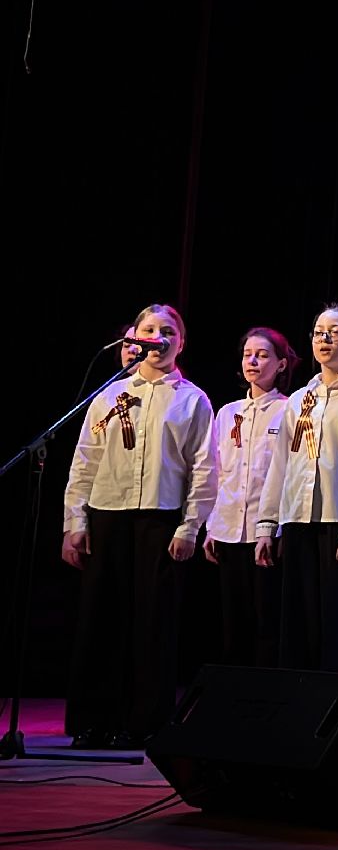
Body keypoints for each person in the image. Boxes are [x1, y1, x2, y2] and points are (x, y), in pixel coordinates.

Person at [62, 304, 215, 750]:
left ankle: (144, 720)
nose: (158, 337)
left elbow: (204, 467)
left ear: (180, 342)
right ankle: (93, 719)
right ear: (135, 337)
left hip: (160, 518)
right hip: (108, 513)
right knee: (101, 617)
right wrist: (75, 520)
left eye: (168, 330)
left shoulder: (192, 399)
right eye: (149, 329)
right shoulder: (109, 396)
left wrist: (190, 527)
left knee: (152, 622)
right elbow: (85, 461)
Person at [256, 303, 338, 673]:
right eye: (318, 332)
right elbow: (281, 463)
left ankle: (335, 703)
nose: (325, 339)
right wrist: (267, 524)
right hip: (298, 519)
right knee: (297, 626)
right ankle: (298, 701)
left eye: (335, 332)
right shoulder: (300, 399)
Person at [203, 328, 294, 670]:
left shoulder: (289, 410)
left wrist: (274, 529)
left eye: (263, 355)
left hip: (267, 531)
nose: (253, 361)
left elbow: (287, 475)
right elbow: (218, 471)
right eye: (247, 354)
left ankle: (265, 692)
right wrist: (212, 526)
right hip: (229, 529)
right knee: (233, 622)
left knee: (267, 621)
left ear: (281, 364)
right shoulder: (228, 412)